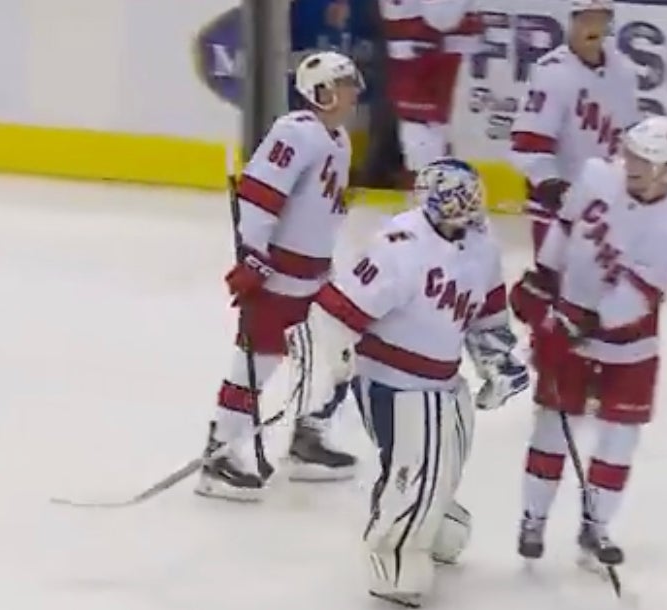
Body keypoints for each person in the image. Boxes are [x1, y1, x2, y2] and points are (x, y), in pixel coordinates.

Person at [310, 158, 530, 606]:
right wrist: (335, 364)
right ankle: (393, 552)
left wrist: (496, 363)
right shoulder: (398, 245)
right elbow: (338, 309)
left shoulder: (481, 246)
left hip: (444, 381)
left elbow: (487, 314)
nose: (465, 211)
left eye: (470, 201)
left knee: (446, 461)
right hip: (394, 384)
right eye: (456, 201)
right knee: (415, 464)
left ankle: (431, 520)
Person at [508, 116, 667, 569]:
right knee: (553, 423)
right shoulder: (596, 175)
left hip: (628, 345)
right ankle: (533, 519)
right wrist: (542, 278)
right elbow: (564, 227)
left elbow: (638, 298)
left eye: (646, 160)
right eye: (630, 153)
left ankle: (597, 525)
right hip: (570, 314)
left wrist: (579, 324)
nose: (632, 164)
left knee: (620, 436)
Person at [196, 51, 364, 502]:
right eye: (344, 84)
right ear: (322, 91)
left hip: (315, 275)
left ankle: (307, 436)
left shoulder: (339, 139)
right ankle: (220, 453)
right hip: (278, 274)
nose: (353, 92)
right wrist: (254, 258)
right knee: (260, 356)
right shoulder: (295, 133)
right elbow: (258, 196)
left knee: (339, 352)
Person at [509, 0, 639, 260]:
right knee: (550, 289)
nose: (591, 27)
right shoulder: (552, 73)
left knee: (599, 291)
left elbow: (630, 136)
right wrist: (552, 187)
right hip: (559, 209)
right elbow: (528, 143)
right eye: (585, 19)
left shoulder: (622, 71)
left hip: (605, 205)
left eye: (599, 19)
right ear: (572, 22)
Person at [378, 0, 482, 188]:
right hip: (433, 64)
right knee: (427, 142)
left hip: (415, 63)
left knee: (419, 139)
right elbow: (442, 19)